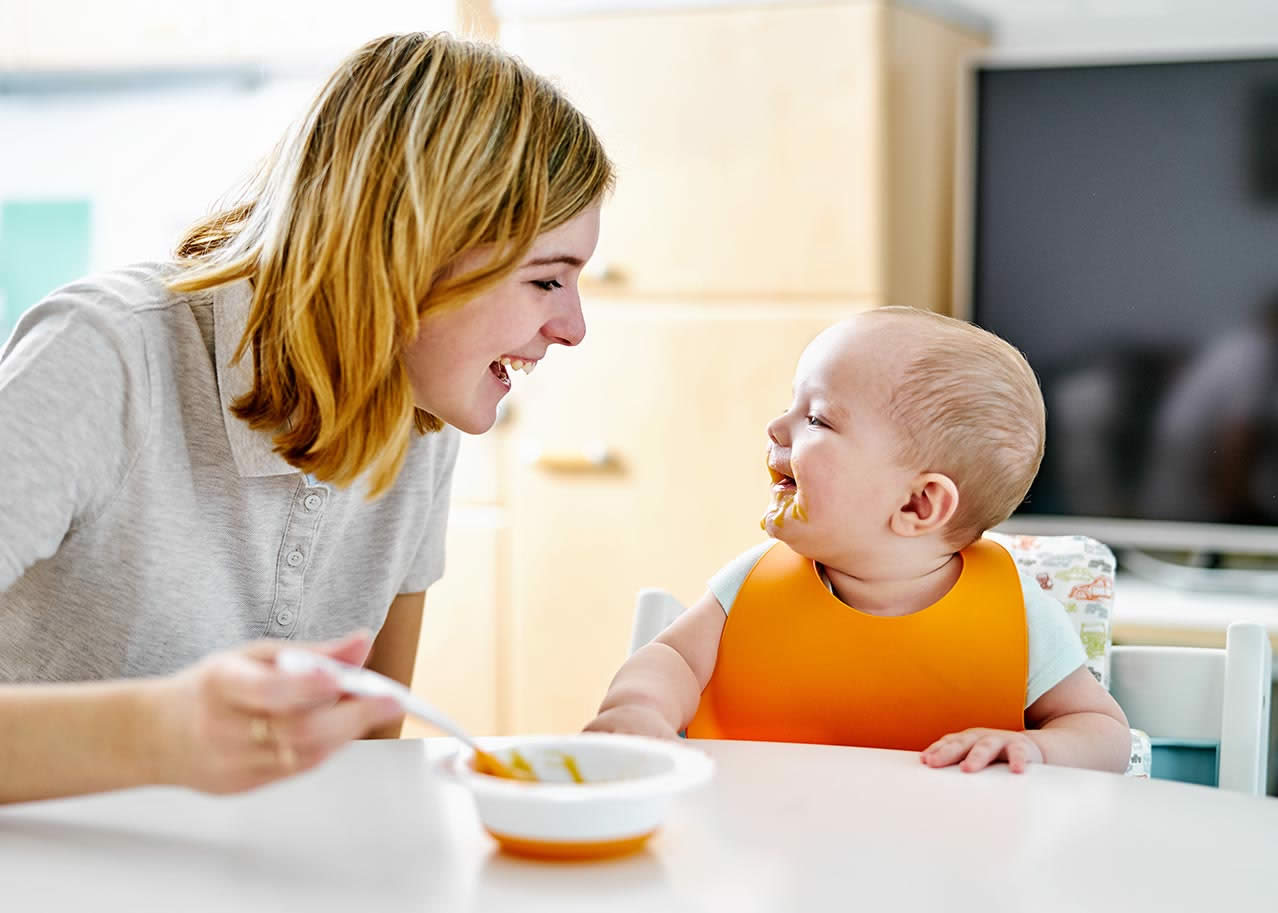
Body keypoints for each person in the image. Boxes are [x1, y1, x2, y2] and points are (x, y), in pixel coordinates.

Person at [0, 31, 613, 803]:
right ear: (412, 249)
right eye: (547, 281)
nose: (574, 327)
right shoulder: (106, 356)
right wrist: (158, 733)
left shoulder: (419, 413)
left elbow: (364, 762)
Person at [586, 308, 1131, 774]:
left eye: (817, 419)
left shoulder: (1017, 617)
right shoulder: (750, 588)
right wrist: (639, 708)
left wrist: (1036, 747)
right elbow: (673, 660)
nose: (777, 426)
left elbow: (1102, 733)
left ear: (917, 504)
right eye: (792, 406)